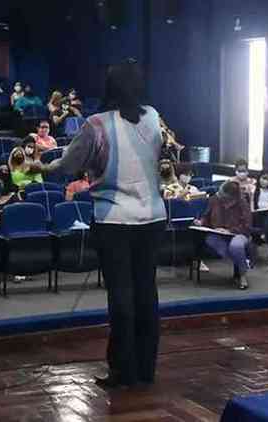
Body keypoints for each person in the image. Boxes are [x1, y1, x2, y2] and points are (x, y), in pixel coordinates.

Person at [41, 61, 166, 389]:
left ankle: (123, 371)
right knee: (146, 294)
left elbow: (69, 164)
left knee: (122, 297)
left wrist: (42, 166)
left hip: (115, 221)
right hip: (153, 218)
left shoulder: (95, 124)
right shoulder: (153, 116)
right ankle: (145, 370)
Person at [195, 181, 252, 289]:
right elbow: (206, 217)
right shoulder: (214, 200)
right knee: (210, 240)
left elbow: (247, 225)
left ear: (231, 196)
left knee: (236, 246)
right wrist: (201, 222)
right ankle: (243, 263)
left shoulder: (242, 203)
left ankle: (242, 275)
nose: (219, 194)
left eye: (222, 194)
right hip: (217, 233)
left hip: (238, 233)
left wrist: (230, 231)